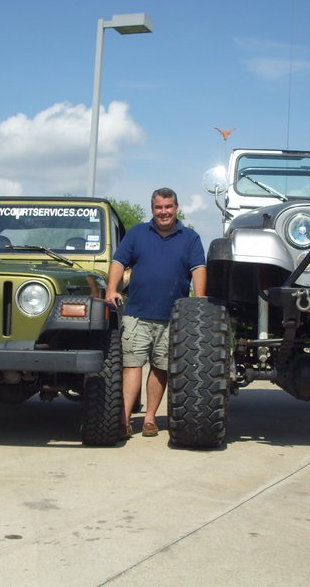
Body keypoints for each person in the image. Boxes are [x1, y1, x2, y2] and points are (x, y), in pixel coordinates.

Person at [105, 188, 207, 439]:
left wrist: (200, 301)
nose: (164, 212)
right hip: (137, 314)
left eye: (169, 207)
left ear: (176, 207)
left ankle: (150, 419)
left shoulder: (190, 237)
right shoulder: (138, 233)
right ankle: (124, 420)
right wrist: (110, 290)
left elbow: (199, 269)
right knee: (131, 366)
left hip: (173, 318)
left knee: (161, 368)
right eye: (159, 207)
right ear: (152, 209)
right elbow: (118, 261)